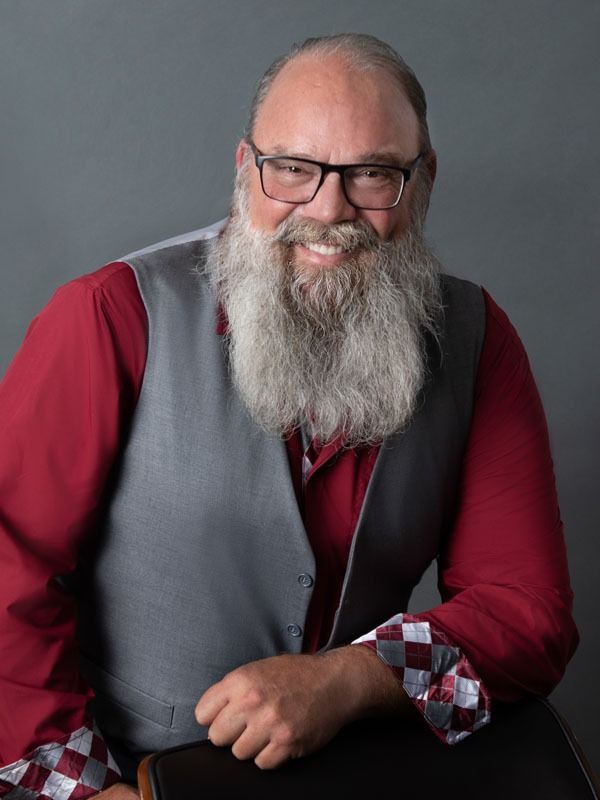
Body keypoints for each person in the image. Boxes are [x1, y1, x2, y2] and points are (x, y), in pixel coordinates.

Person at [0, 33, 578, 799]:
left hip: (353, 775)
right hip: (130, 773)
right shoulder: (111, 314)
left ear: (422, 180)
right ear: (247, 171)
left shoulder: (477, 339)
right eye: (294, 171)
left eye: (372, 174)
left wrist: (352, 679)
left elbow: (528, 614)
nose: (327, 209)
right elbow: (8, 567)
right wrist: (79, 791)